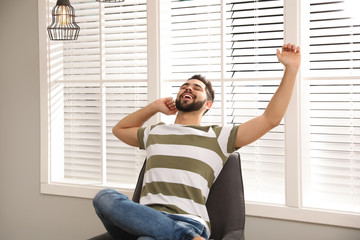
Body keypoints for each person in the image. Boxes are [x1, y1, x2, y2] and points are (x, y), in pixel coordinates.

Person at [93, 43, 301, 240]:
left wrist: (290, 69)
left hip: (187, 221)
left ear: (208, 104)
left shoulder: (218, 136)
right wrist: (155, 107)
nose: (188, 88)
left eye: (196, 87)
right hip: (144, 218)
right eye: (184, 86)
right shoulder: (156, 132)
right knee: (104, 198)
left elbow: (270, 119)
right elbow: (119, 130)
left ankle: (185, 234)